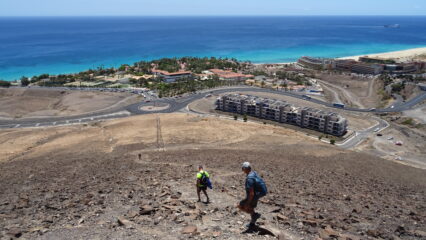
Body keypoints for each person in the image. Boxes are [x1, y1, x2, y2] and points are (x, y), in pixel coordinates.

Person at [238, 162, 267, 229]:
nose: (242, 170)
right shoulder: (253, 173)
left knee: (242, 205)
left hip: (255, 194)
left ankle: (255, 216)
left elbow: (251, 193)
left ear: (245, 168)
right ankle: (252, 223)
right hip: (259, 193)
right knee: (250, 206)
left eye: (243, 168)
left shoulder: (249, 179)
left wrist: (248, 202)